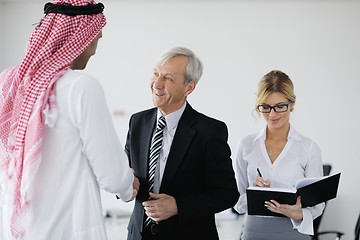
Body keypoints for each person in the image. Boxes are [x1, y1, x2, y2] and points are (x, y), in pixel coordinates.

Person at [0, 1, 139, 239]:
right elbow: (112, 174)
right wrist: (128, 186)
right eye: (96, 39)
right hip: (68, 229)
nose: (95, 49)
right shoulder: (80, 87)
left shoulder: (9, 82)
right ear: (81, 37)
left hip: (19, 229)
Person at [125, 47, 239, 240]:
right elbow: (127, 171)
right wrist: (126, 185)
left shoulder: (210, 131)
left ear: (189, 87)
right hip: (139, 234)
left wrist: (179, 206)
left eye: (168, 78)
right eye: (156, 74)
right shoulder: (137, 122)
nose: (157, 84)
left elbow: (227, 194)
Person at [233, 70, 325, 240]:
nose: (272, 114)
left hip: (294, 234)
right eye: (265, 107)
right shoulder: (246, 145)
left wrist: (298, 213)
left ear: (292, 104)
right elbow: (237, 203)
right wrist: (254, 195)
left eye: (280, 106)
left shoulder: (308, 148)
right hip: (254, 234)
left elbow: (318, 206)